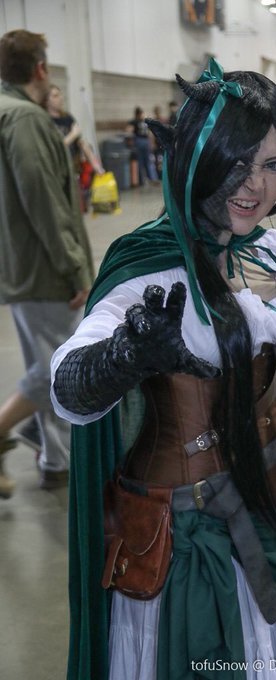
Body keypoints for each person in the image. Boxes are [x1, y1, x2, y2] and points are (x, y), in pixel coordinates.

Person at [50, 59, 276, 680]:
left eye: (274, 165)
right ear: (194, 157)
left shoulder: (272, 253)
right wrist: (126, 354)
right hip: (184, 542)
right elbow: (70, 386)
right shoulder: (146, 267)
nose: (256, 186)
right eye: (237, 160)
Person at [0, 29, 94, 498]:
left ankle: (56, 460)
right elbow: (43, 201)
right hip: (43, 270)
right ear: (40, 68)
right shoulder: (25, 119)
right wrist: (73, 267)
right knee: (58, 369)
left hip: (22, 265)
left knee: (48, 361)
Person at [46, 84, 104, 210]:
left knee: (76, 208)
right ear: (46, 100)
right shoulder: (45, 121)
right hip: (55, 174)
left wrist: (96, 166)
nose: (60, 98)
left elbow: (82, 144)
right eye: (55, 96)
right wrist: (72, 135)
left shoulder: (68, 118)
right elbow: (52, 148)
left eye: (60, 95)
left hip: (72, 170)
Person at [125, 106, 159, 185]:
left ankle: (141, 180)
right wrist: (152, 143)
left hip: (139, 141)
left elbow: (128, 131)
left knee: (140, 161)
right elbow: (150, 133)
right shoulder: (145, 121)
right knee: (148, 161)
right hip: (146, 141)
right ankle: (153, 178)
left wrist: (130, 140)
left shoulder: (134, 121)